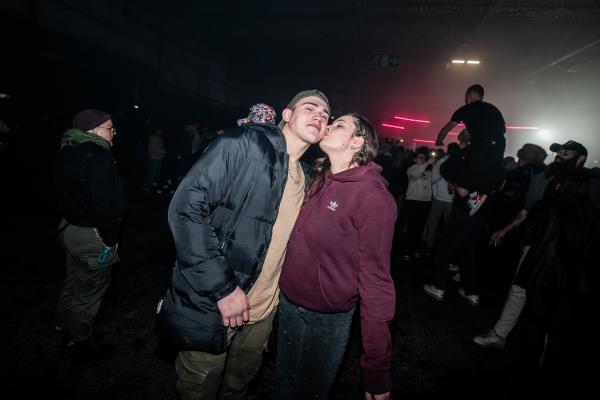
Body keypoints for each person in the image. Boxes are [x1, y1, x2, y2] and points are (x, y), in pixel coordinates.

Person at [156, 90, 330, 400]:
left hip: (263, 310)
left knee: (239, 384)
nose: (319, 115)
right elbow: (186, 208)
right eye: (310, 107)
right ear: (287, 115)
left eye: (326, 114)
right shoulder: (246, 143)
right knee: (200, 387)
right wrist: (222, 288)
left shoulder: (305, 178)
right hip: (215, 303)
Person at [276, 114, 396, 400]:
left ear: (357, 142)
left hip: (327, 316)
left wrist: (376, 368)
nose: (328, 126)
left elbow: (376, 282)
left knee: (310, 393)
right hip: (289, 303)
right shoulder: (320, 177)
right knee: (283, 384)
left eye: (339, 124)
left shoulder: (373, 197)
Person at [53, 108, 127, 364]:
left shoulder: (66, 150)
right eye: (109, 128)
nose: (114, 132)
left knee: (73, 281)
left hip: (68, 228)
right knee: (88, 293)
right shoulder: (98, 157)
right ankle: (79, 343)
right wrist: (109, 240)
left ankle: (64, 324)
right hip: (90, 234)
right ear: (93, 130)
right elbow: (105, 206)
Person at [436, 84, 506, 215]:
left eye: (465, 96)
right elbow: (503, 129)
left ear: (469, 95)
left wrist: (439, 140)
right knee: (483, 172)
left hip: (480, 145)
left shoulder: (465, 109)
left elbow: (447, 127)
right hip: (499, 146)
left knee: (445, 167)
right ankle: (482, 193)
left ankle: (464, 189)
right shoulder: (494, 109)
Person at [402, 146, 440, 260]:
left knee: (420, 228)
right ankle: (407, 251)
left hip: (425, 202)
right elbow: (415, 175)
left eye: (424, 158)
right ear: (415, 159)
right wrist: (427, 163)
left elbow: (436, 178)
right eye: (420, 157)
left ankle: (415, 250)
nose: (422, 159)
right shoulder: (412, 169)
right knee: (411, 227)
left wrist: (434, 164)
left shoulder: (427, 170)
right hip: (412, 201)